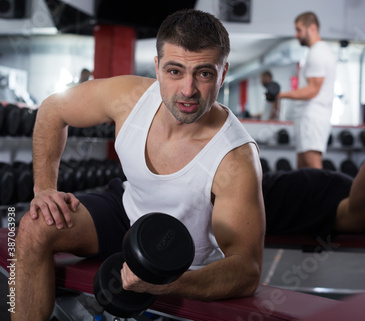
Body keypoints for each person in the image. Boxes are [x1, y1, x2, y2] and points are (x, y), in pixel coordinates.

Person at [13, 9, 265, 321]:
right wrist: (44, 188)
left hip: (182, 257)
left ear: (223, 73)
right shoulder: (129, 98)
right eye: (175, 71)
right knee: (32, 227)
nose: (188, 90)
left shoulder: (235, 159)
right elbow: (53, 110)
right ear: (158, 67)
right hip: (127, 212)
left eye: (203, 73)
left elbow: (246, 270)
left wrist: (167, 283)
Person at [277, 11, 336, 169]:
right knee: (303, 168)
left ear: (312, 28)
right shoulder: (315, 52)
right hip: (307, 118)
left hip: (313, 118)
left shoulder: (318, 52)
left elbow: (312, 90)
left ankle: (320, 195)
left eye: (299, 30)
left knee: (312, 166)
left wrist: (281, 95)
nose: (296, 35)